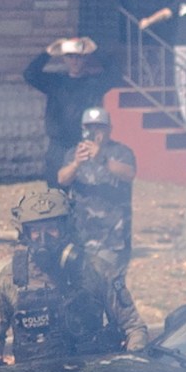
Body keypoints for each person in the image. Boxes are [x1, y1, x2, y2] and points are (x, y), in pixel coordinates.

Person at [0, 188, 148, 367]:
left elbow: (133, 326)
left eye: (52, 228)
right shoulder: (12, 277)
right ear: (25, 233)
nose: (43, 237)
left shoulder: (96, 270)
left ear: (66, 227)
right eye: (36, 231)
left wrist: (134, 360)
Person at [57, 105, 136, 276]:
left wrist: (103, 159)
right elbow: (62, 179)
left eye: (99, 127)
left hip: (112, 238)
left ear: (109, 129)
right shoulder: (74, 153)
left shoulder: (121, 152)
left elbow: (129, 173)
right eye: (89, 127)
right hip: (81, 236)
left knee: (108, 287)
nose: (95, 131)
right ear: (83, 129)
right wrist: (76, 164)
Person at [25, 36, 110, 185]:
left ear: (85, 59)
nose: (74, 61)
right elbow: (29, 74)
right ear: (64, 59)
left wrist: (95, 50)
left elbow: (115, 73)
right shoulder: (55, 81)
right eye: (70, 57)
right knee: (55, 190)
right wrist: (48, 53)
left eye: (79, 57)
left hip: (83, 143)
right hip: (58, 145)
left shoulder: (94, 83)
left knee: (83, 189)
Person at [135, 0, 186, 129]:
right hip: (182, 47)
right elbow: (166, 12)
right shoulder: (180, 0)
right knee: (185, 83)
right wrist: (149, 20)